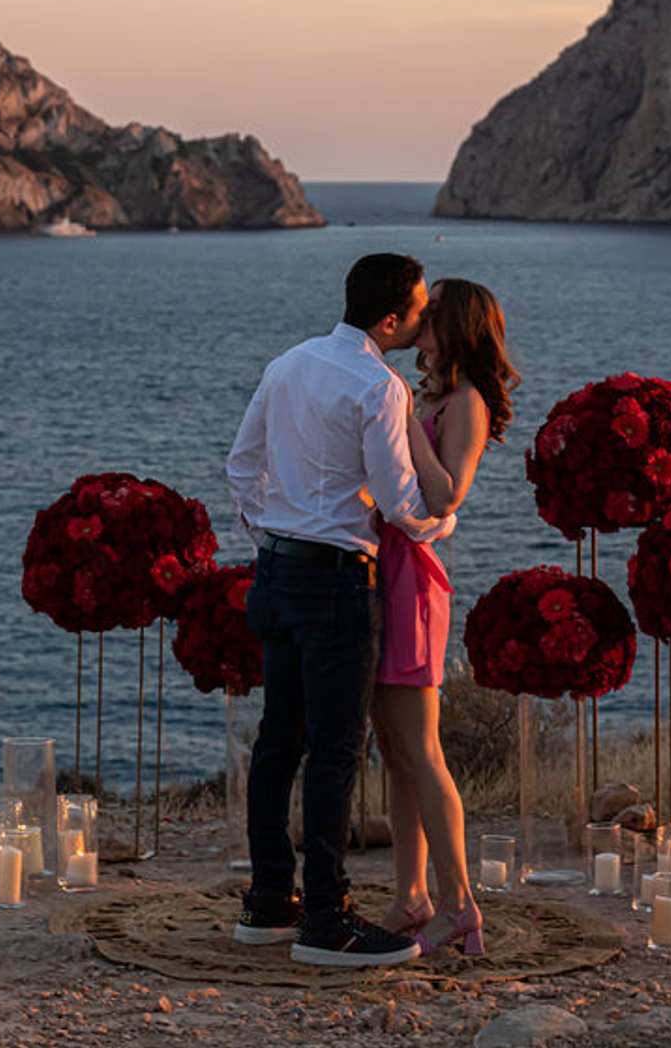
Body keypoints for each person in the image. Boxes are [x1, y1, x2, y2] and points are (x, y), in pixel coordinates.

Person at [224, 253, 454, 967]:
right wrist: (441, 523)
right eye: (419, 310)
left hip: (276, 570)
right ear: (390, 320)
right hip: (336, 581)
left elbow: (241, 464)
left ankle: (269, 900)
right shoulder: (379, 386)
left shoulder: (288, 363)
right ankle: (326, 918)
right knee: (335, 750)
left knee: (278, 740)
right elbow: (399, 500)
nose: (424, 320)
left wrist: (273, 531)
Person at [373, 279, 519, 957]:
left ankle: (460, 905)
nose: (419, 323)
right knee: (395, 751)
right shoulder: (427, 394)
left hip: (412, 580)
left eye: (431, 315)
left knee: (422, 749)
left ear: (456, 326)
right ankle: (411, 896)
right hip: (382, 566)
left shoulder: (466, 403)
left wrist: (405, 423)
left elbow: (447, 494)